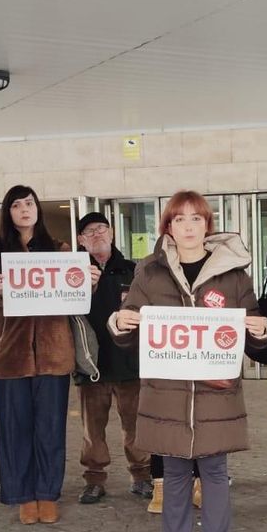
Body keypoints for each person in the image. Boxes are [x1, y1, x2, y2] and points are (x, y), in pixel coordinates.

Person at [109, 190, 267, 532]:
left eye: (196, 218)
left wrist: (263, 329)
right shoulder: (149, 272)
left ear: (207, 225)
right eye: (180, 219)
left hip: (216, 389)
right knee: (175, 473)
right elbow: (130, 318)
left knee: (215, 472)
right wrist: (119, 323)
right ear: (168, 226)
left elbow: (250, 325)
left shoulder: (233, 274)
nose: (188, 226)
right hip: (167, 390)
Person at [0, 185, 96, 526]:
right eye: (16, 205)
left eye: (29, 203)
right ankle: (21, 495)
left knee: (49, 427)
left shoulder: (59, 250)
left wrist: (87, 283)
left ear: (37, 209)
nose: (24, 209)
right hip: (10, 352)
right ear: (8, 212)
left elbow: (74, 297)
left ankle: (47, 493)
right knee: (14, 428)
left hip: (52, 352)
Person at [73, 211, 152, 505]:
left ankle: (141, 476)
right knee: (92, 430)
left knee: (135, 426)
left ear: (112, 233)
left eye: (101, 229)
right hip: (91, 363)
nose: (96, 234)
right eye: (89, 231)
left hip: (130, 363)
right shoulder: (71, 273)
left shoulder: (134, 271)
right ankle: (94, 480)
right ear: (81, 240)